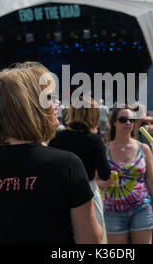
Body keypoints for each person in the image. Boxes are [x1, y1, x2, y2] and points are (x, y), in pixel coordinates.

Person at [0, 62, 102, 244]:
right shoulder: (67, 165)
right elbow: (90, 239)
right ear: (31, 107)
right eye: (49, 97)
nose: (57, 103)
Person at [49, 96, 111, 243]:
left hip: (60, 191)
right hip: (87, 189)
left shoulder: (58, 138)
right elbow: (105, 173)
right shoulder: (94, 140)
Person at [101, 106, 153, 244]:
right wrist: (105, 183)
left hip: (141, 207)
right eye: (123, 119)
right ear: (114, 123)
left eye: (131, 120)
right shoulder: (105, 149)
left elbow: (151, 181)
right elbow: (95, 180)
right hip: (113, 209)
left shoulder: (143, 149)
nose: (128, 123)